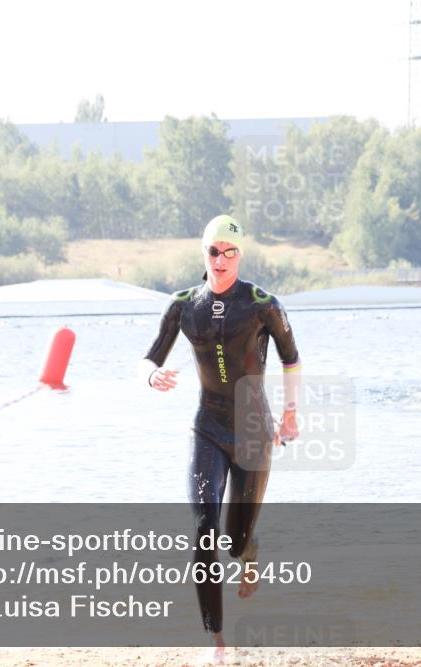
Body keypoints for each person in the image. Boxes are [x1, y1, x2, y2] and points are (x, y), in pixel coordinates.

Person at [139, 214, 301, 662]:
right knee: (203, 531)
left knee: (233, 540)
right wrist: (151, 377)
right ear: (204, 253)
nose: (221, 259)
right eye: (214, 251)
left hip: (254, 431)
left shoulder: (262, 304)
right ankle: (217, 641)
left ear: (239, 255)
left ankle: (249, 551)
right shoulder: (184, 305)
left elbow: (291, 359)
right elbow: (148, 358)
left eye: (230, 252)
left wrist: (290, 413)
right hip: (207, 427)